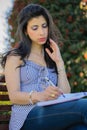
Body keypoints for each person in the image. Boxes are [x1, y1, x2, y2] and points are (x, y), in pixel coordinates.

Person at [1, 3, 87, 130]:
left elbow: (65, 92)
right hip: (27, 117)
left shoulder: (51, 56)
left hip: (53, 113)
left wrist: (59, 62)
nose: (41, 32)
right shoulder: (15, 57)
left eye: (44, 26)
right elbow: (14, 96)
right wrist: (40, 96)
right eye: (35, 28)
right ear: (26, 31)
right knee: (84, 107)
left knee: (80, 128)